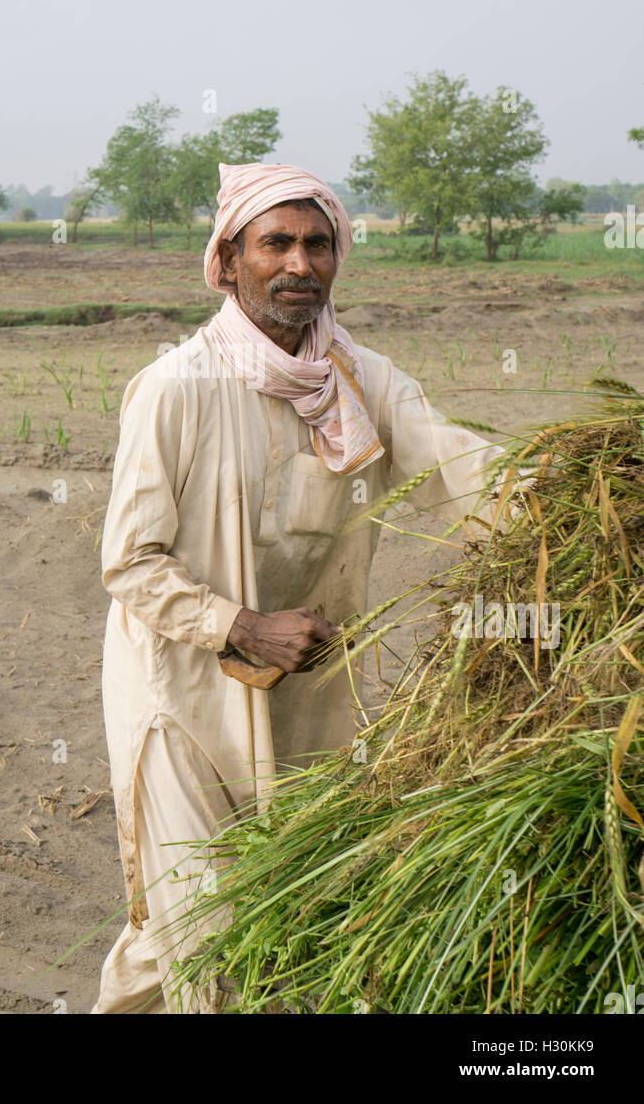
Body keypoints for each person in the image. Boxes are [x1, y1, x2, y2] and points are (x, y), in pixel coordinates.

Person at [91, 162, 505, 1014]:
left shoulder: (360, 377)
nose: (299, 264)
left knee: (253, 914)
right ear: (228, 260)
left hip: (308, 691)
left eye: (317, 244)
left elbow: (458, 460)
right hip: (183, 694)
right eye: (275, 242)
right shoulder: (178, 388)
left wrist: (571, 496)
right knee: (207, 926)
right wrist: (240, 624)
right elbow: (130, 560)